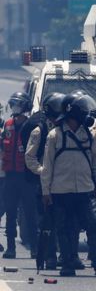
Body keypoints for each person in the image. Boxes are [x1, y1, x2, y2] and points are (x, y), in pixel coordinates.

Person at [40, 93, 96, 277]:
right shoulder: (55, 135)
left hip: (85, 190)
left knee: (94, 225)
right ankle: (68, 264)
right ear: (73, 112)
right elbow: (47, 167)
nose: (86, 113)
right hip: (61, 191)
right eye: (83, 109)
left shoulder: (89, 135)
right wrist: (46, 192)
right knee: (65, 228)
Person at [24, 92, 65, 270]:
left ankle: (67, 255)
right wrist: (43, 172)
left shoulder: (66, 128)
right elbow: (30, 157)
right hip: (45, 184)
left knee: (65, 221)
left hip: (64, 182)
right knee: (47, 222)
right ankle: (49, 257)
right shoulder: (39, 130)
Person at [1, 91, 38, 259]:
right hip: (10, 176)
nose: (15, 106)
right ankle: (11, 247)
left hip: (27, 177)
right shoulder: (7, 125)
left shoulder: (32, 126)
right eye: (13, 103)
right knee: (10, 213)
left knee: (30, 213)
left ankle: (35, 248)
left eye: (18, 103)